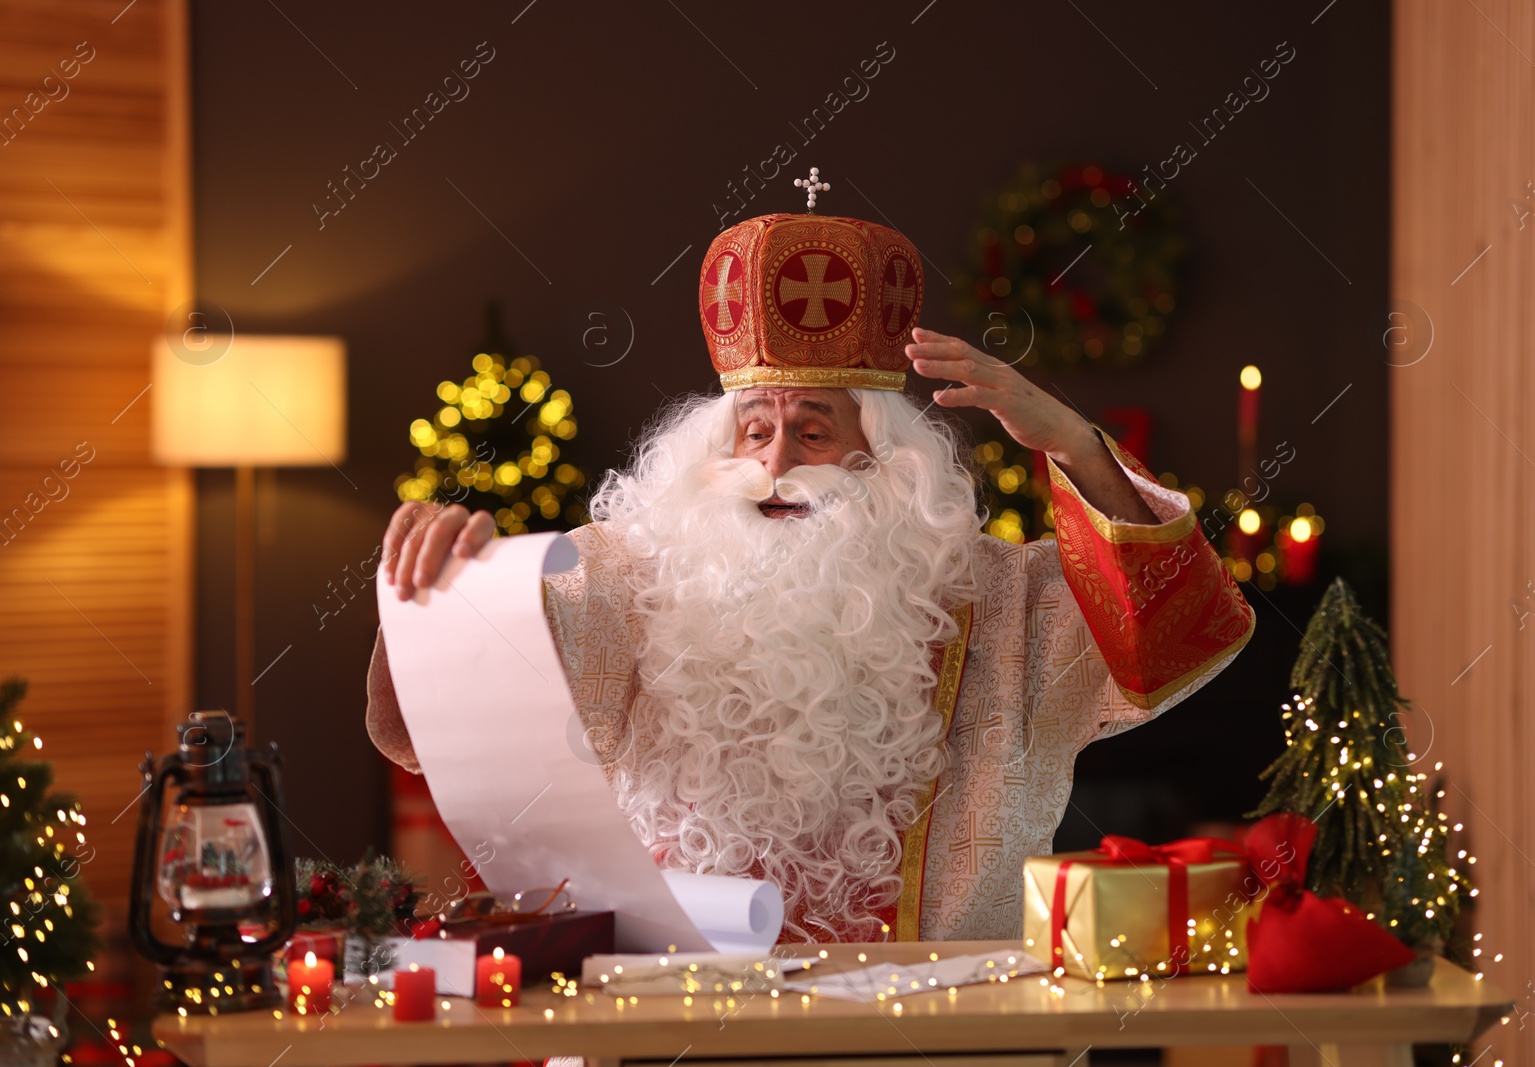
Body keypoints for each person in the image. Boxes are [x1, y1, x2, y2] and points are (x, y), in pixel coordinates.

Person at [366, 196, 1254, 943]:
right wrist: (440, 587)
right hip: (680, 1019)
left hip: (937, 1034)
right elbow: (456, 717)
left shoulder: (1004, 604)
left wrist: (1076, 444)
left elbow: (1169, 646)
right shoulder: (627, 580)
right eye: (754, 427)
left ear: (887, 461)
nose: (777, 460)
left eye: (816, 429)